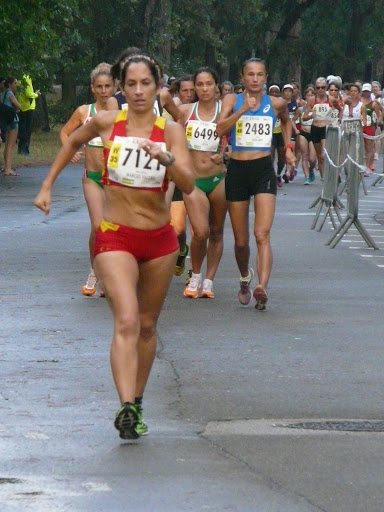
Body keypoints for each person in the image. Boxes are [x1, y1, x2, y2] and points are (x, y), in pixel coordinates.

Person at [34, 53, 194, 440]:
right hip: (115, 235)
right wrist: (46, 185)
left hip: (158, 240)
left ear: (158, 87)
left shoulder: (170, 130)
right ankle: (124, 405)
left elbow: (187, 183)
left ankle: (137, 402)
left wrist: (167, 158)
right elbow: (71, 140)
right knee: (126, 320)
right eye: (132, 84)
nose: (139, 91)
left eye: (146, 84)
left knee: (147, 324)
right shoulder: (107, 123)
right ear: (121, 88)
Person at [216, 58, 295, 311]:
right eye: (250, 74)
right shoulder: (232, 101)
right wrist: (241, 112)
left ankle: (262, 286)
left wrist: (288, 147)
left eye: (260, 75)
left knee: (262, 234)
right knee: (241, 242)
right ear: (242, 78)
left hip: (263, 170)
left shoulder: (276, 103)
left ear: (265, 77)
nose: (255, 79)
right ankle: (244, 278)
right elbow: (219, 129)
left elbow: (285, 121)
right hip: (237, 171)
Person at [60, 63, 114, 297]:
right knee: (97, 226)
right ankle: (95, 271)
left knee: (113, 228)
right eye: (99, 87)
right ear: (92, 88)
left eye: (108, 86)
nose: (104, 91)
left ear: (115, 87)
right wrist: (70, 150)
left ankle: (110, 274)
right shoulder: (85, 112)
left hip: (115, 180)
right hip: (92, 177)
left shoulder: (121, 113)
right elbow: (64, 132)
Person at [179, 67, 227, 299]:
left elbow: (238, 140)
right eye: (200, 84)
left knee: (216, 231)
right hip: (194, 180)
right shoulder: (186, 111)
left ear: (216, 86)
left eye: (209, 84)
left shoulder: (224, 111)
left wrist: (225, 155)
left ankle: (209, 281)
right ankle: (195, 274)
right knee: (200, 231)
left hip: (218, 179)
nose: (204, 88)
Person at [0, 77, 21, 176]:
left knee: (7, 146)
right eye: (15, 83)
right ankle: (8, 169)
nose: (16, 85)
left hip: (5, 121)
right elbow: (19, 106)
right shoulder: (10, 94)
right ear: (10, 84)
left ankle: (5, 167)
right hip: (13, 121)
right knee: (10, 146)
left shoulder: (2, 94)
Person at [17, 74, 41, 156]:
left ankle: (21, 149)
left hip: (22, 106)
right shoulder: (25, 78)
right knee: (27, 130)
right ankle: (25, 150)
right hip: (27, 107)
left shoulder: (20, 77)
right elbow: (28, 94)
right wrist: (36, 94)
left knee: (24, 128)